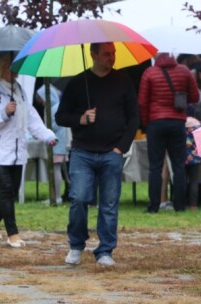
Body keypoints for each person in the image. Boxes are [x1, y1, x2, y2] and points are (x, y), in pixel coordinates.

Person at [56, 42, 139, 266]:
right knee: (79, 198)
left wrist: (121, 147)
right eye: (106, 54)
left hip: (112, 151)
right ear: (93, 55)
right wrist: (80, 118)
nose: (111, 58)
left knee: (109, 204)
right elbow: (60, 116)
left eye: (113, 54)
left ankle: (105, 250)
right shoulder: (77, 83)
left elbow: (134, 118)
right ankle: (76, 244)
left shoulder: (124, 81)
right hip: (83, 151)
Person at [0, 52, 57, 248]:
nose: (15, 71)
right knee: (6, 188)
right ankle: (13, 234)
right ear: (0, 69)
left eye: (16, 66)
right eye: (10, 66)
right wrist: (3, 113)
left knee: (11, 191)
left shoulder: (20, 91)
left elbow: (31, 118)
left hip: (17, 151)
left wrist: (47, 135)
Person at [138, 52, 199, 213]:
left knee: (155, 166)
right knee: (179, 164)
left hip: (155, 123)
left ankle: (153, 206)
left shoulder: (149, 72)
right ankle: (180, 205)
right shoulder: (184, 71)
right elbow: (195, 96)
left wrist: (146, 124)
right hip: (177, 122)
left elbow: (142, 102)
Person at [36, 84, 69, 205]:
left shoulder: (55, 108)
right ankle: (55, 195)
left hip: (57, 144)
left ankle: (57, 196)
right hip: (57, 143)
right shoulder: (53, 107)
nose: (41, 102)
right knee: (56, 170)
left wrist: (44, 129)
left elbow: (54, 125)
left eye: (41, 99)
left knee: (56, 170)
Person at [185, 116, 201, 210]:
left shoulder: (183, 125)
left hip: (182, 158)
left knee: (182, 181)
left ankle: (181, 202)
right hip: (195, 158)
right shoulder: (197, 125)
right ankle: (193, 205)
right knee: (194, 182)